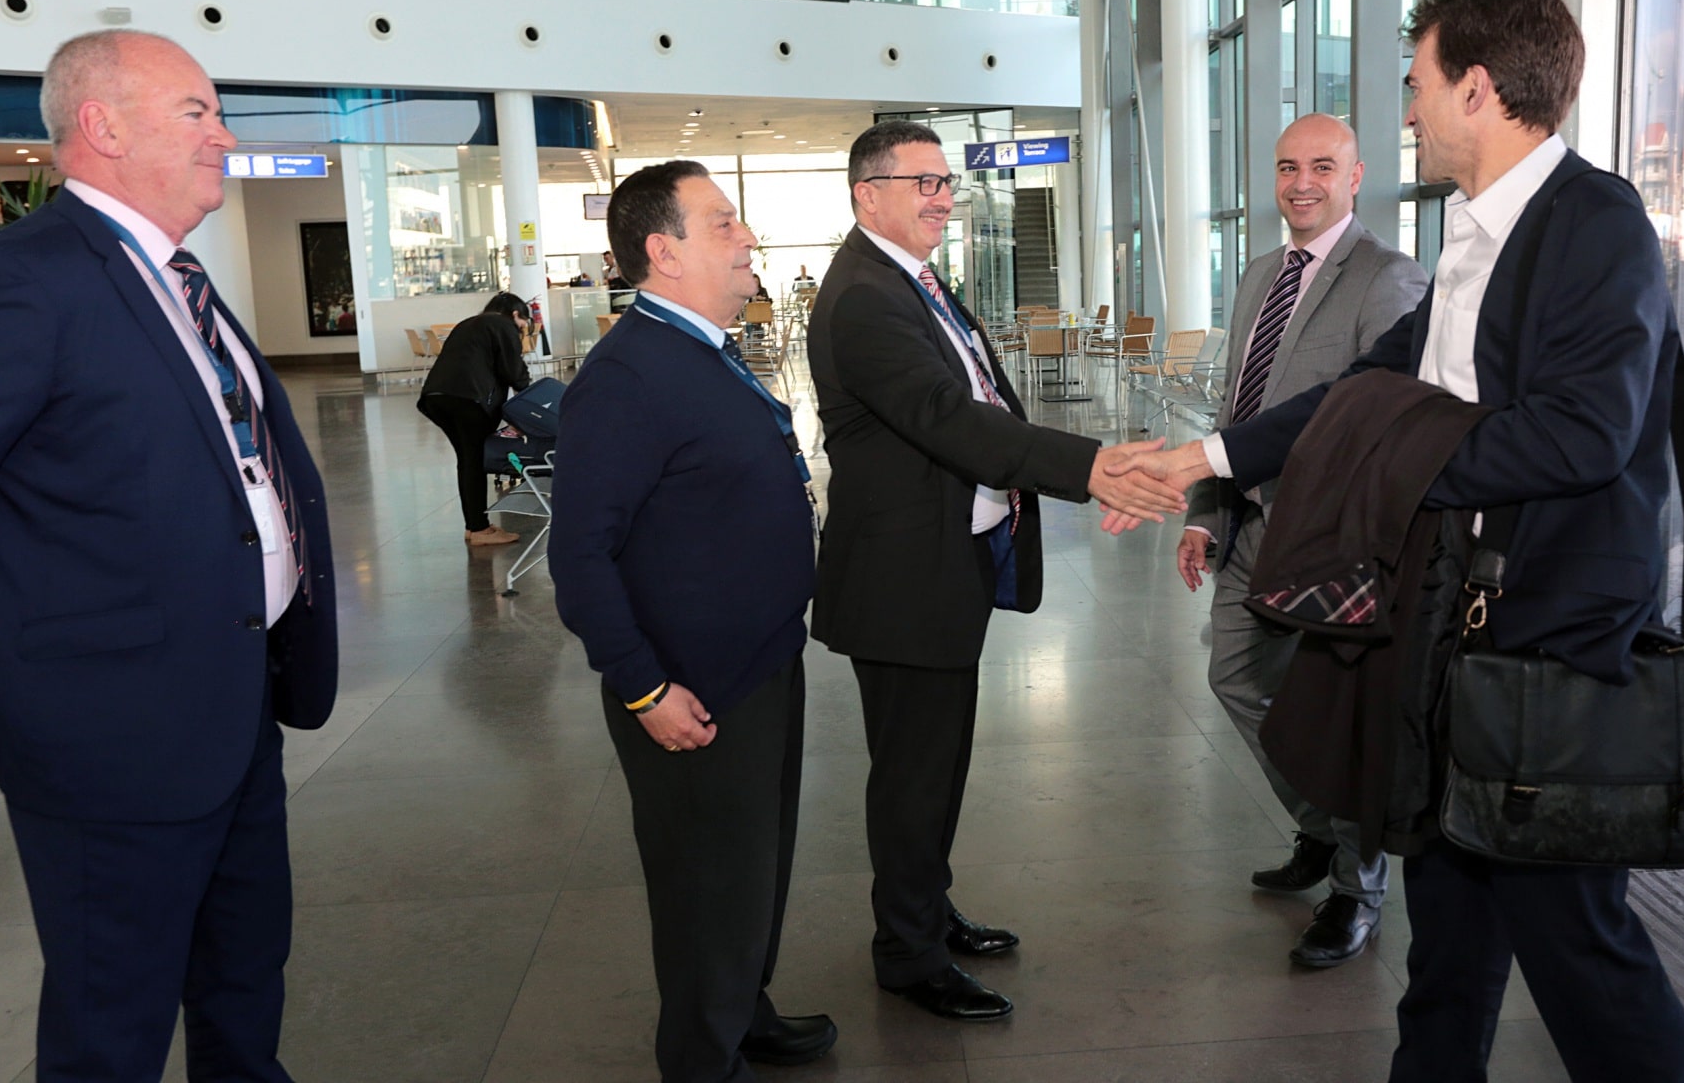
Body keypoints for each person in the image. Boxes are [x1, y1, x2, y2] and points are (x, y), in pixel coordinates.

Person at [1112, 0, 1684, 1082]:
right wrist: (1200, 458)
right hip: (1454, 625)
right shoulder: (1473, 235)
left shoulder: (1592, 219)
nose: (1409, 110)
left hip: (1549, 643)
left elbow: (1581, 436)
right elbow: (1359, 395)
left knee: (1578, 946)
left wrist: (1389, 463)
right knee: (1447, 926)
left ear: (1475, 88)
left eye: (1416, 84)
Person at [0, 30, 337, 1081]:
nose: (222, 136)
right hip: (108, 741)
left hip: (232, 709)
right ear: (101, 127)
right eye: (197, 112)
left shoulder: (177, 277)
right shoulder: (30, 278)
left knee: (244, 983)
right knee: (114, 1024)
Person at [808, 119, 1186, 1022]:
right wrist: (1090, 465)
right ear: (867, 195)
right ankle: (907, 954)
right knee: (913, 774)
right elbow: (949, 417)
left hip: (946, 562)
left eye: (946, 183)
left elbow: (985, 397)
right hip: (901, 580)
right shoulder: (864, 297)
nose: (943, 198)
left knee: (937, 765)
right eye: (923, 183)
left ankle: (926, 911)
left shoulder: (914, 280)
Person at [550, 160, 836, 1081]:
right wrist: (643, 687)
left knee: (753, 869)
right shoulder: (626, 377)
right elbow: (579, 556)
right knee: (705, 886)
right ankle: (701, 1058)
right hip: (689, 687)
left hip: (757, 662)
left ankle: (742, 1010)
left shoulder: (701, 350)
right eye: (722, 223)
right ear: (662, 253)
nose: (747, 237)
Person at [1179, 113, 1424, 967]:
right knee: (1234, 679)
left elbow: (1384, 422)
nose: (1301, 183)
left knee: (1335, 716)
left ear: (1354, 177)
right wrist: (1204, 514)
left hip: (1332, 541)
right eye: (1287, 167)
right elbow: (1235, 411)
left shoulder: (1388, 278)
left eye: (1322, 166)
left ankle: (1357, 890)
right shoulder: (1259, 275)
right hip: (1251, 525)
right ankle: (1320, 828)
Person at [417, 291, 531, 547]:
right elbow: (513, 371)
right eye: (523, 323)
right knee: (474, 461)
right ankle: (480, 529)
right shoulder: (503, 325)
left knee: (468, 460)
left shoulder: (469, 323)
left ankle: (474, 525)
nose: (523, 328)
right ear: (515, 314)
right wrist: (530, 403)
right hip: (468, 399)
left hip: (436, 397)